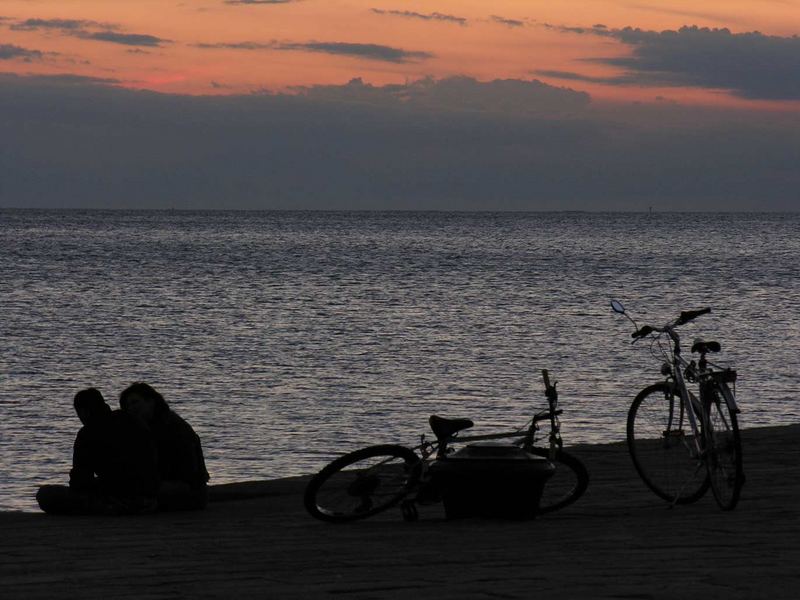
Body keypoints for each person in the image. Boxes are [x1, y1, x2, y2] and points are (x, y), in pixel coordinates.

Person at [36, 388, 159, 515]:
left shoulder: (87, 434)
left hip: (119, 501)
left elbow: (80, 481)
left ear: (84, 412)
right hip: (150, 498)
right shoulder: (132, 420)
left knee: (46, 494)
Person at [120, 382, 210, 511]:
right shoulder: (150, 426)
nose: (131, 408)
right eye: (127, 405)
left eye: (135, 403)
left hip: (187, 491)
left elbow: (186, 470)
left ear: (151, 402)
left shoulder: (169, 427)